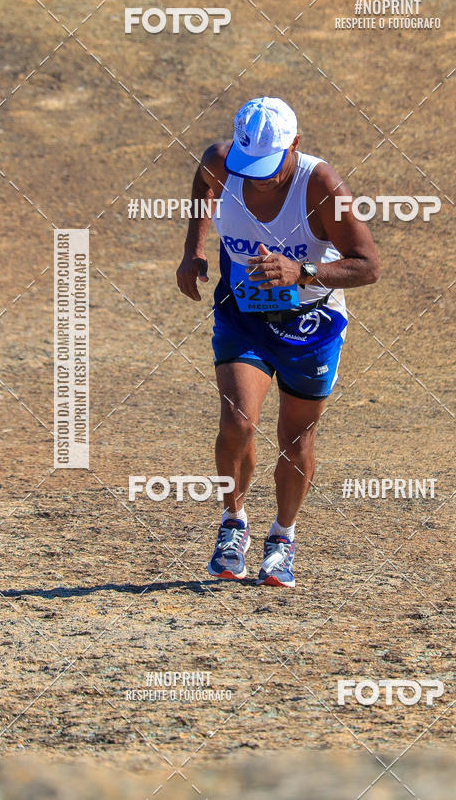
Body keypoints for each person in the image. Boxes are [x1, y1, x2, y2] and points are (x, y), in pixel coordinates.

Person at [177, 97, 379, 586]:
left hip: (311, 324)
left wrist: (301, 270)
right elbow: (203, 185)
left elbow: (368, 265)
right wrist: (193, 250)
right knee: (237, 421)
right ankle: (232, 523)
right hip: (242, 316)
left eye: (267, 168)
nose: (256, 177)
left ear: (295, 145)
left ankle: (283, 537)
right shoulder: (221, 162)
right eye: (249, 166)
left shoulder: (321, 185)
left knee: (296, 438)